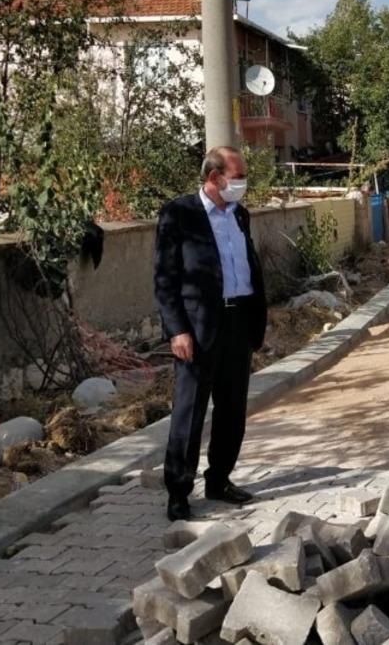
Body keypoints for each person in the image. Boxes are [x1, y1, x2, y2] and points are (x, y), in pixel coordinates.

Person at [154, 146, 267, 521]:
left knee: (233, 409)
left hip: (239, 322)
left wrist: (255, 321)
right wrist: (177, 330)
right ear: (215, 177)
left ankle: (219, 479)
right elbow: (165, 278)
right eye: (239, 177)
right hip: (199, 327)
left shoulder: (240, 214)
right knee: (190, 411)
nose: (244, 184)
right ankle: (178, 492)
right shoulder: (179, 214)